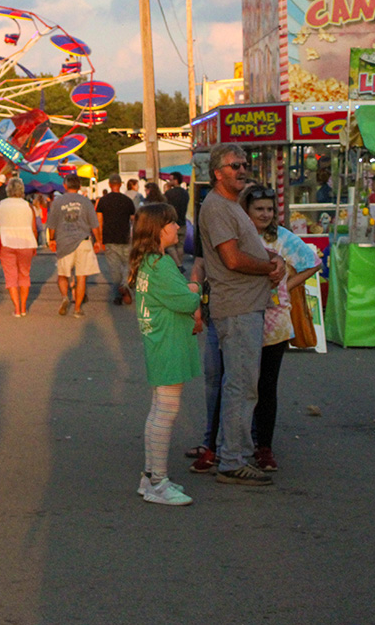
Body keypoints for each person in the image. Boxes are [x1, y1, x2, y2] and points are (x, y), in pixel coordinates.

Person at [198, 143, 285, 486]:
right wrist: (268, 267)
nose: (242, 170)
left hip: (247, 305)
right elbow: (232, 259)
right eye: (235, 166)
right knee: (241, 386)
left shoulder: (231, 207)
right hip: (237, 307)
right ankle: (232, 459)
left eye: (244, 165)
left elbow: (247, 247)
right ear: (218, 172)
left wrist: (272, 259)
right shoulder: (218, 208)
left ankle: (233, 453)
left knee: (243, 384)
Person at [239, 184, 320, 472]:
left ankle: (264, 447)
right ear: (246, 209)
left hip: (274, 322)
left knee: (266, 385)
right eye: (259, 208)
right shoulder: (238, 235)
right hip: (240, 315)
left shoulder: (282, 237)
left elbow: (312, 263)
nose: (265, 214)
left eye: (269, 209)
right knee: (239, 382)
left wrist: (285, 285)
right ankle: (231, 442)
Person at [129, 203, 202, 506]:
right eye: (172, 223)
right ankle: (158, 480)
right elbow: (186, 300)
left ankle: (151, 476)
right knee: (166, 411)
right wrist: (196, 284)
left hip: (159, 341)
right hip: (169, 343)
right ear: (160, 229)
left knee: (160, 408)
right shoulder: (161, 265)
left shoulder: (149, 263)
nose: (177, 228)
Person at [46, 174, 102, 318]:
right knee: (81, 276)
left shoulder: (58, 202)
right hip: (83, 241)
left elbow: (51, 224)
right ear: (79, 187)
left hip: (64, 241)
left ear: (65, 186)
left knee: (62, 274)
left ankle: (65, 297)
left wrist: (52, 239)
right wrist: (98, 241)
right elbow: (94, 224)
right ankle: (77, 309)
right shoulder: (86, 202)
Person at [0, 177, 38, 317]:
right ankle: (24, 307)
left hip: (6, 242)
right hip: (26, 242)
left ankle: (17, 308)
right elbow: (34, 228)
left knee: (10, 276)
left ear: (8, 190)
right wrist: (34, 244)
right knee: (24, 274)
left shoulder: (0, 205)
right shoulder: (28, 206)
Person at [95, 173, 136, 305]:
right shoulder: (127, 201)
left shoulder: (103, 200)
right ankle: (125, 285)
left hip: (109, 237)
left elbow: (99, 220)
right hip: (125, 237)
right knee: (127, 265)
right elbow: (133, 220)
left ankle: (117, 295)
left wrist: (99, 238)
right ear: (120, 184)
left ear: (109, 185)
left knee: (114, 268)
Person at [164, 172, 190, 269]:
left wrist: (167, 188)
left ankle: (178, 265)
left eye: (171, 179)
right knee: (180, 245)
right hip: (183, 221)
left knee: (170, 246)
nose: (169, 181)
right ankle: (180, 264)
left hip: (171, 222)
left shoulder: (169, 194)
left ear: (175, 180)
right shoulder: (185, 193)